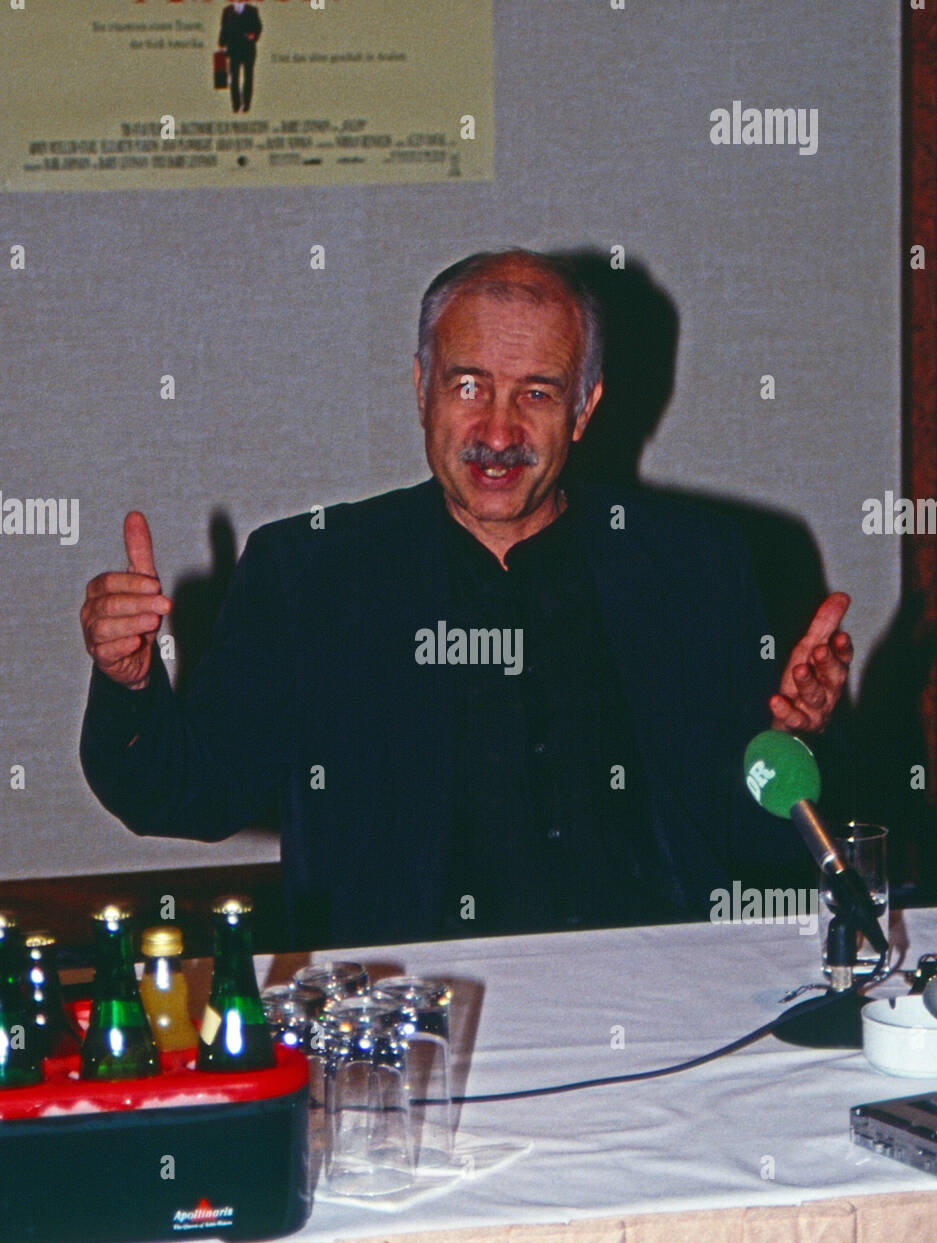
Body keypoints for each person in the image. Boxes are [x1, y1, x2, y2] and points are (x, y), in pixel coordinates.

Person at [80, 250, 853, 947]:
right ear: (422, 389)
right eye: (468, 385)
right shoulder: (310, 572)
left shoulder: (692, 562)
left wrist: (801, 738)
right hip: (403, 1016)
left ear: (583, 411)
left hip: (658, 1000)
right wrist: (128, 682)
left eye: (537, 394)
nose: (497, 429)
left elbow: (757, 831)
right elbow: (184, 795)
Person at [219, 2, 262, 114]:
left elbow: (258, 26)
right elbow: (223, 28)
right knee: (234, 78)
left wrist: (254, 35)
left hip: (248, 48)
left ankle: (246, 104)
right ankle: (236, 105)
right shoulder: (227, 11)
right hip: (233, 49)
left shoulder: (252, 10)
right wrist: (222, 44)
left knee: (248, 77)